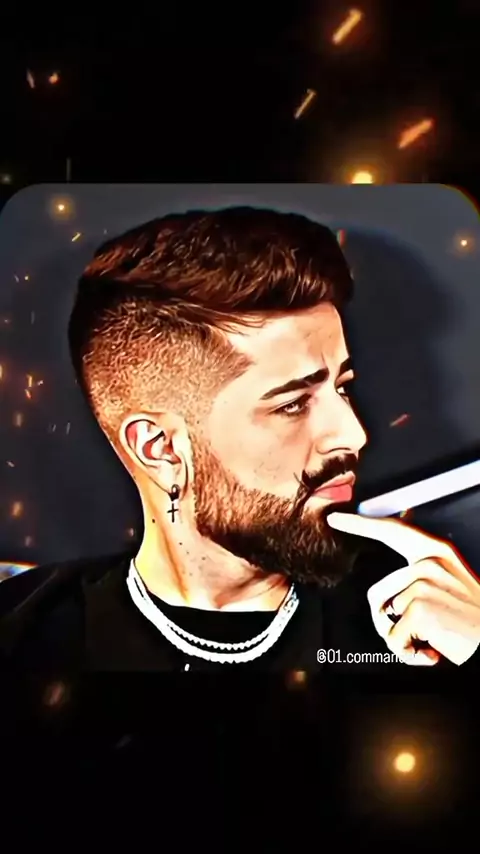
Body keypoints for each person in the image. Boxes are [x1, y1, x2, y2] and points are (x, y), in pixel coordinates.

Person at [1, 206, 480, 672]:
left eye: (342, 387)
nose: (353, 435)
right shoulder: (26, 635)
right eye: (293, 404)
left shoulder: (424, 620)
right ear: (160, 449)